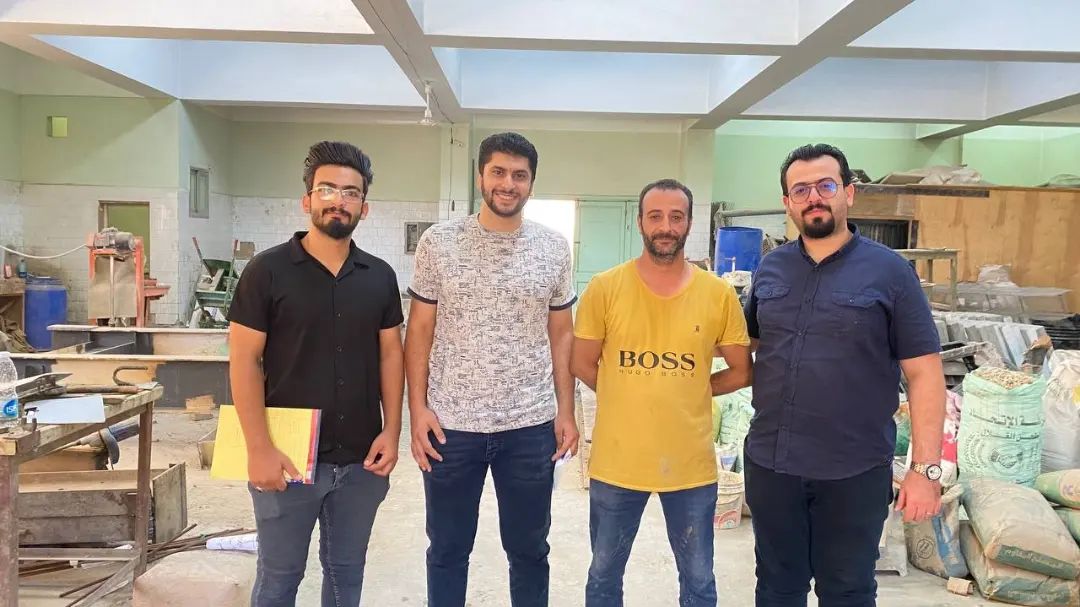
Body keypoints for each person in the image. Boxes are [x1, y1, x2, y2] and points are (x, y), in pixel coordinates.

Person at [743, 144, 946, 607]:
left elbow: (925, 374)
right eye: (801, 190)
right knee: (776, 588)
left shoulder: (891, 272)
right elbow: (748, 345)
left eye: (825, 185)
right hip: (772, 465)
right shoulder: (771, 268)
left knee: (847, 592)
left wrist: (924, 470)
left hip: (853, 472)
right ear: (788, 203)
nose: (814, 197)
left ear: (848, 193)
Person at [404, 132, 579, 607]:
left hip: (529, 426)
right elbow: (419, 330)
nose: (508, 183)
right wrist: (417, 410)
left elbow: (562, 334)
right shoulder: (439, 243)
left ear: (531, 183)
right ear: (480, 176)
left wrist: (566, 410)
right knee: (447, 550)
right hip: (450, 426)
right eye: (498, 172)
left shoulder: (553, 248)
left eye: (519, 175)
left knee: (529, 550)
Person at [228, 141, 405, 607]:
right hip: (288, 457)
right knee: (279, 578)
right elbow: (244, 360)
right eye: (327, 189)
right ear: (307, 199)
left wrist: (392, 430)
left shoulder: (379, 276)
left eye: (351, 192)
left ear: (364, 207)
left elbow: (391, 355)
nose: (338, 200)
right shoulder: (266, 272)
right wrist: (259, 448)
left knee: (347, 576)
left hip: (362, 459)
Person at [571, 178, 753, 607]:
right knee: (603, 576)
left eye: (676, 217)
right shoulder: (605, 288)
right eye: (655, 216)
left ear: (689, 223)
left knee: (699, 581)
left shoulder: (717, 294)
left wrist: (692, 390)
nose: (666, 227)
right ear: (640, 222)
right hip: (618, 463)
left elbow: (742, 371)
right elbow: (581, 363)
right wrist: (627, 391)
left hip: (690, 467)